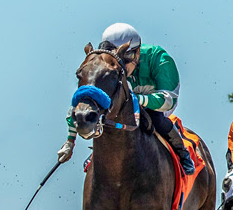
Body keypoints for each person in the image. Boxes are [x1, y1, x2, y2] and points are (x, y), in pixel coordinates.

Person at [58, 23, 195, 174]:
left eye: (125, 59)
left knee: (154, 117)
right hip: (126, 100)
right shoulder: (108, 68)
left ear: (136, 54)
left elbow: (168, 101)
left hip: (158, 102)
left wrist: (137, 99)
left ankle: (181, 152)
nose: (119, 65)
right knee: (108, 115)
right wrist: (70, 142)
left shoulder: (159, 58)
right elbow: (83, 102)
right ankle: (96, 154)